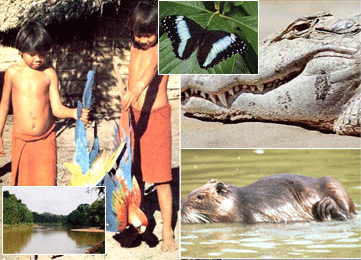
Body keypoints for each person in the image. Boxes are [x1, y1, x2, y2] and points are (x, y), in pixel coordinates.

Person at [113, 1, 178, 252]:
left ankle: (167, 231)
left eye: (148, 34)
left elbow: (149, 72)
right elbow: (131, 76)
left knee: (161, 178)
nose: (143, 40)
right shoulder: (134, 45)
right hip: (133, 116)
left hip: (156, 117)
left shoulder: (164, 48)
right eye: (138, 34)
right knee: (134, 175)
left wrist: (138, 88)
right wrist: (124, 112)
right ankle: (135, 226)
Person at [0, 21, 88, 186]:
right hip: (21, 140)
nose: (38, 59)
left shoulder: (49, 74)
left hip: (46, 139)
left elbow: (57, 108)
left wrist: (72, 113)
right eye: (32, 54)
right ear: (21, 50)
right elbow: (4, 106)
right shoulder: (12, 73)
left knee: (46, 184)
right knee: (23, 187)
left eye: (43, 54)